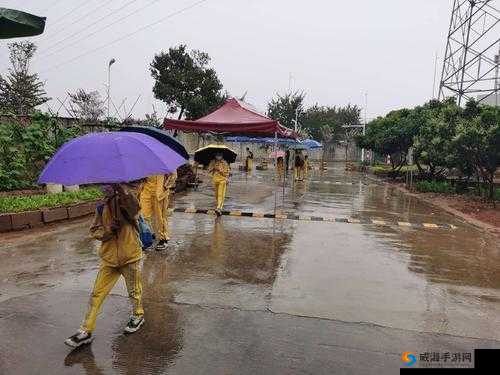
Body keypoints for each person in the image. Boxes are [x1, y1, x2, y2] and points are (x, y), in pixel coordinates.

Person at [65, 184, 144, 348]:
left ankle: (138, 315)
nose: (106, 191)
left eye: (110, 187)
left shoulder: (128, 199)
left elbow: (135, 212)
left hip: (130, 256)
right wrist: (108, 230)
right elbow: (94, 230)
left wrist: (123, 193)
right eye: (104, 188)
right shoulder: (101, 207)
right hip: (108, 259)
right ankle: (85, 330)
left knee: (134, 291)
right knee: (96, 294)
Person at [139, 174, 170, 251]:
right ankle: (147, 237)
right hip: (146, 190)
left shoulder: (163, 162)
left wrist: (166, 185)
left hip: (159, 192)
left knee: (159, 217)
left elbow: (173, 175)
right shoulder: (144, 162)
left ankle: (163, 238)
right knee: (143, 216)